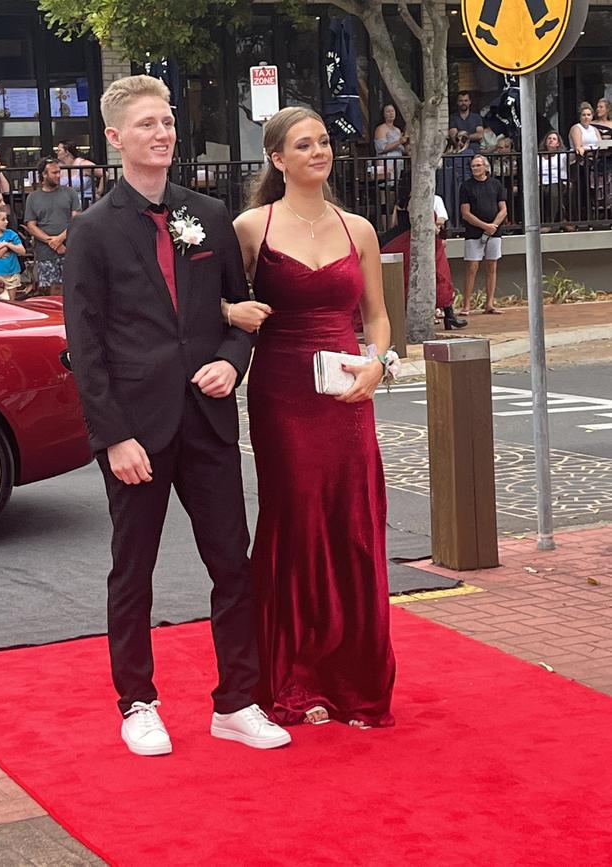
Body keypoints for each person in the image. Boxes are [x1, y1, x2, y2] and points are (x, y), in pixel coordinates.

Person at [63, 74, 291, 756]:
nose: (161, 133)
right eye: (145, 125)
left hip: (209, 419)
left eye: (166, 122)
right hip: (136, 430)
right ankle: (137, 701)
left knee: (233, 562)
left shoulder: (208, 214)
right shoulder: (94, 231)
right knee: (133, 569)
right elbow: (87, 343)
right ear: (114, 138)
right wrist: (113, 437)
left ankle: (237, 699)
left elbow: (238, 310)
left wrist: (233, 358)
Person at [229, 106, 396, 729]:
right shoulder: (252, 227)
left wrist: (379, 363)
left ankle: (354, 681)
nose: (319, 151)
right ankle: (293, 679)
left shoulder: (360, 229)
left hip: (349, 392)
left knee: (352, 524)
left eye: (324, 141)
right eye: (304, 144)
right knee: (295, 521)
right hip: (282, 394)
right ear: (278, 159)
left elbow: (377, 317)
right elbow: (217, 301)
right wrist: (229, 312)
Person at [383, 177, 467, 330]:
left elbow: (394, 223)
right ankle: (448, 315)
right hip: (423, 243)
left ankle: (446, 315)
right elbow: (429, 224)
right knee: (440, 275)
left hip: (400, 241)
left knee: (409, 279)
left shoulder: (400, 203)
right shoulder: (421, 201)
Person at [25, 158, 81, 296]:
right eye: (54, 172)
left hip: (69, 247)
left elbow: (77, 219)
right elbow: (31, 225)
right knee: (51, 290)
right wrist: (51, 242)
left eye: (59, 172)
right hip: (46, 252)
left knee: (73, 286)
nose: (58, 175)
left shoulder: (70, 192)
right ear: (44, 174)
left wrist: (60, 239)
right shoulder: (33, 197)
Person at [459, 154, 507, 315]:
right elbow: (465, 213)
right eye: (473, 166)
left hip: (494, 232)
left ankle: (490, 303)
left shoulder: (496, 184)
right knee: (472, 267)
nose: (475, 169)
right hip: (474, 232)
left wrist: (494, 225)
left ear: (485, 167)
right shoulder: (466, 186)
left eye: (478, 165)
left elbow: (503, 209)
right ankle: (466, 305)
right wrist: (484, 226)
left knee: (492, 265)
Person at [538, 131, 568, 229]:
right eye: (549, 138)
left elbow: (571, 158)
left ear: (558, 143)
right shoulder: (538, 157)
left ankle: (549, 223)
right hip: (541, 182)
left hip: (557, 181)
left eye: (554, 139)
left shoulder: (562, 155)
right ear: (545, 142)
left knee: (553, 192)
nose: (551, 140)